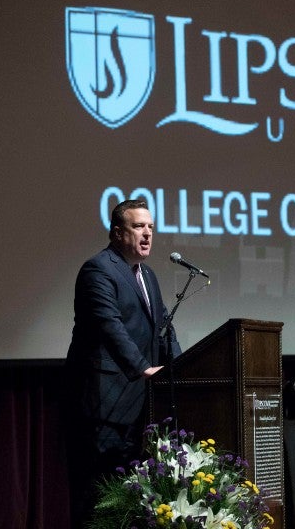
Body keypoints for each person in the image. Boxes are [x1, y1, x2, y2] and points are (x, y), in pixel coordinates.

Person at [63, 199, 182, 528]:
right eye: (138, 227)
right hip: (104, 408)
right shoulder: (98, 270)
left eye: (151, 228)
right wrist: (145, 368)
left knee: (132, 504)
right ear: (117, 233)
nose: (147, 234)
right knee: (97, 501)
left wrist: (185, 370)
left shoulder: (149, 276)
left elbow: (163, 330)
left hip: (140, 409)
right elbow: (110, 327)